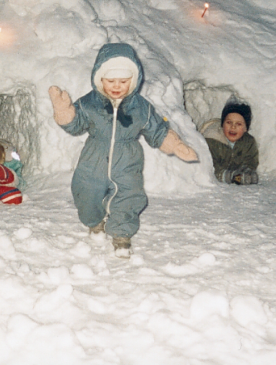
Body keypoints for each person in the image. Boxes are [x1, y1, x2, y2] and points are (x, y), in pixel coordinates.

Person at [49, 43, 198, 258]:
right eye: (111, 81)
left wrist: (174, 144)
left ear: (134, 80)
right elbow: (76, 124)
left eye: (124, 81)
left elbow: (156, 128)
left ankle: (121, 233)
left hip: (127, 159)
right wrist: (65, 112)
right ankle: (95, 221)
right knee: (86, 191)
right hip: (94, 157)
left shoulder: (141, 106)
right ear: (100, 79)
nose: (117, 86)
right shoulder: (90, 103)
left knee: (129, 195)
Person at [201, 101, 259, 185]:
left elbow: (250, 160)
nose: (233, 127)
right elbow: (210, 167)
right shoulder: (212, 141)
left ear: (245, 128)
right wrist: (231, 177)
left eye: (239, 124)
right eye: (229, 122)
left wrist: (247, 172)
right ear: (222, 124)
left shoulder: (248, 142)